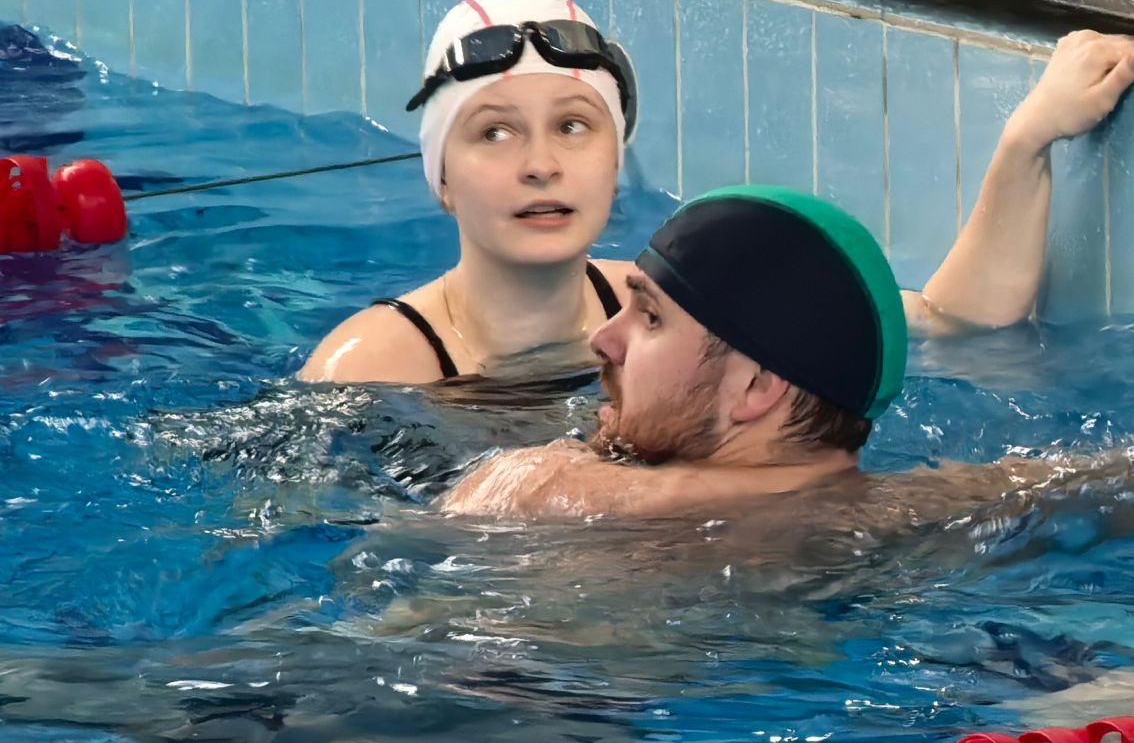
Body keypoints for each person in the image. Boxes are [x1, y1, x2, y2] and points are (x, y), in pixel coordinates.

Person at [299, 0, 1134, 385]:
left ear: (616, 162)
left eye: (574, 126)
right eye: (494, 132)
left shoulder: (677, 306)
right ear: (441, 177)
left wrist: (1029, 139)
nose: (541, 164)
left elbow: (960, 320)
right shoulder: (371, 366)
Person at [438, 185, 1134, 518]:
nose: (602, 338)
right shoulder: (921, 517)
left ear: (755, 388)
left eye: (648, 319)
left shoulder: (539, 491)